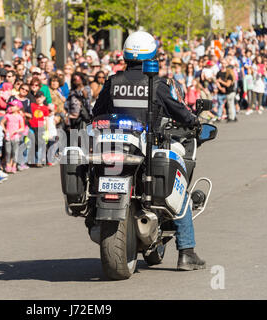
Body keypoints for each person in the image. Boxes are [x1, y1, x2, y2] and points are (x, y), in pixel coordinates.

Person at [92, 31, 203, 271]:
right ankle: (186, 252)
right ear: (152, 55)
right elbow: (180, 112)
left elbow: (96, 112)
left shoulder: (112, 82)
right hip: (147, 149)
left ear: (125, 54)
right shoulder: (159, 84)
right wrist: (194, 121)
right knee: (180, 192)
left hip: (112, 147)